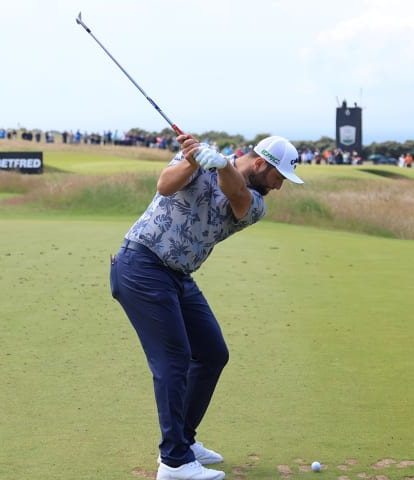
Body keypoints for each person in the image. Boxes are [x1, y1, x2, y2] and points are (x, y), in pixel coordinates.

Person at [109, 134, 304, 480]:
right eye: (279, 177)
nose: (279, 186)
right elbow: (165, 186)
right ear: (260, 164)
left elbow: (237, 197)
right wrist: (193, 160)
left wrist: (223, 164)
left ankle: (183, 440)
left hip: (178, 276)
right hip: (142, 265)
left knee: (212, 352)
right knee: (174, 359)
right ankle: (174, 462)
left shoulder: (256, 202)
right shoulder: (198, 160)